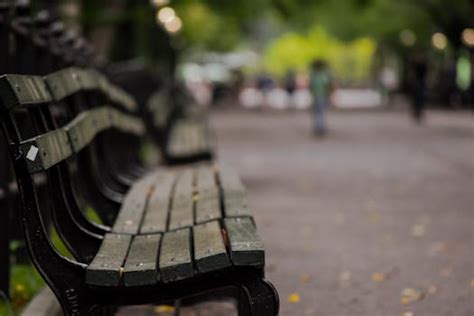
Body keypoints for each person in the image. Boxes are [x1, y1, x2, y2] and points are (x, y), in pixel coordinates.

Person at [309, 59, 333, 136]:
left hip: (316, 97)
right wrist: (329, 95)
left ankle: (318, 128)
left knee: (317, 113)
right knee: (321, 113)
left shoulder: (314, 75)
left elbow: (311, 87)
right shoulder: (324, 75)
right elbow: (328, 86)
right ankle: (320, 128)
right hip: (322, 97)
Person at [407, 52, 428, 123]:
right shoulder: (416, 65)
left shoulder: (422, 65)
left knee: (420, 98)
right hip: (418, 83)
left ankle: (419, 111)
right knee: (417, 98)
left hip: (420, 83)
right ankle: (417, 112)